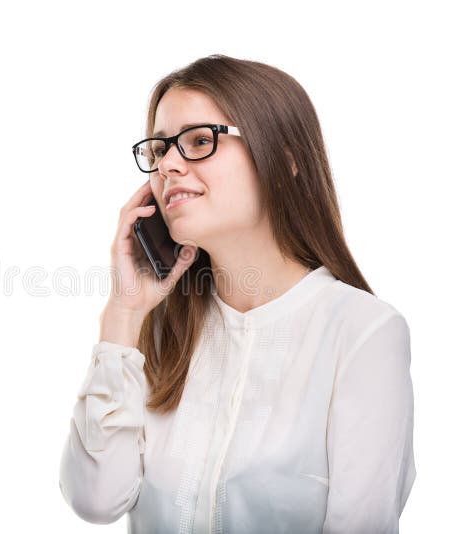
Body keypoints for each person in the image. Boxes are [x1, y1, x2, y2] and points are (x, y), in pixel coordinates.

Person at [58, 54, 416, 534]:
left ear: (285, 159)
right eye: (160, 149)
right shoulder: (160, 332)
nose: (167, 165)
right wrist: (124, 312)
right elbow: (95, 500)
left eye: (200, 141)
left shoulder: (363, 332)